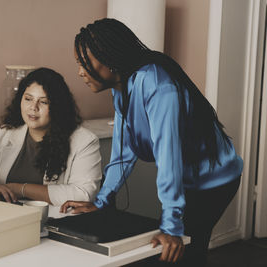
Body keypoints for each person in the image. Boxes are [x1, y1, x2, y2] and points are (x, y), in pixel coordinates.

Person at [60, 18, 243, 266]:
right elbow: (122, 153)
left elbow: (169, 157)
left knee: (183, 251)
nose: (80, 72)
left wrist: (171, 226)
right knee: (177, 253)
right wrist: (101, 202)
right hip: (187, 178)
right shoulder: (122, 86)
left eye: (84, 63)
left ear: (109, 58)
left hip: (216, 179)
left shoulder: (158, 85)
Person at [0, 67, 102, 206]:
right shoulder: (2, 134)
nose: (33, 107)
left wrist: (20, 189)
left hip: (52, 222)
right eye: (28, 99)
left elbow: (84, 195)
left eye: (44, 102)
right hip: (3, 217)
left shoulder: (84, 141)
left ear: (58, 107)